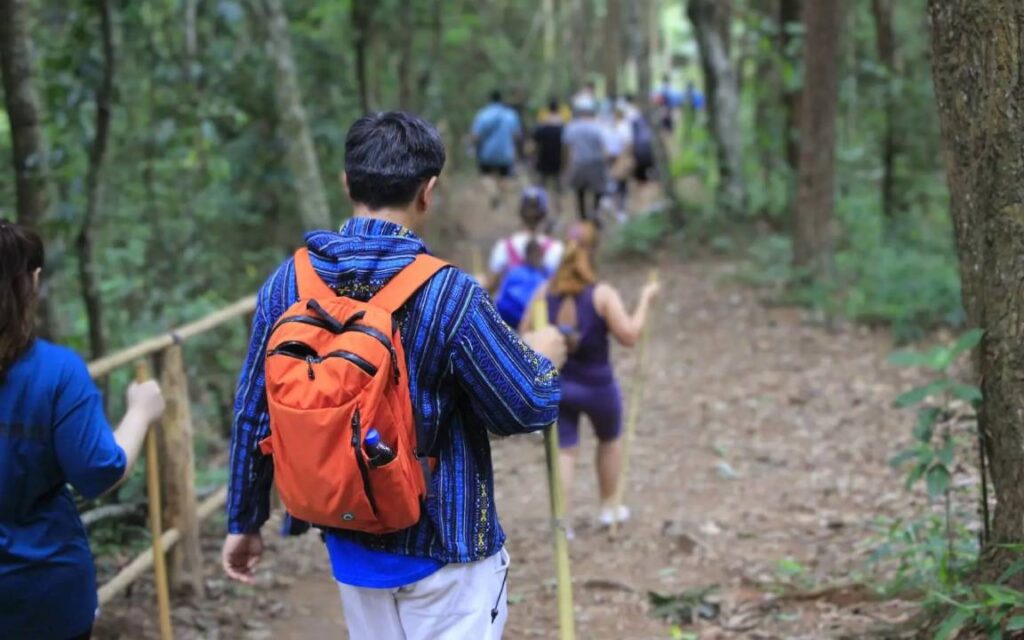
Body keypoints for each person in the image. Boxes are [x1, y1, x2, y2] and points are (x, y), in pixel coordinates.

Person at [222, 112, 567, 640]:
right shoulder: (449, 293)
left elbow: (254, 411)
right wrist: (543, 359)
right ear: (428, 191)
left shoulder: (288, 284)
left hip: (350, 538)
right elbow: (524, 408)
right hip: (448, 546)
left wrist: (244, 522)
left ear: (347, 183)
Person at [0, 221, 166, 640]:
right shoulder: (57, 372)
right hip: (44, 594)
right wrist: (140, 412)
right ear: (31, 282)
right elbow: (100, 471)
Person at [522, 221, 660, 534]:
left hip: (560, 387)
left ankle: (562, 524)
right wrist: (645, 300)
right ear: (594, 250)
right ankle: (609, 508)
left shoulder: (544, 292)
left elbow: (524, 333)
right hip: (599, 388)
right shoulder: (602, 295)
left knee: (564, 451)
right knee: (609, 440)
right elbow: (629, 335)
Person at [486, 186, 564, 292]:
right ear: (544, 214)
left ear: (520, 213)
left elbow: (491, 285)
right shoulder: (556, 248)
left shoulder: (503, 246)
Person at [471, 90, 523, 209]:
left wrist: (473, 146)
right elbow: (517, 135)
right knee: (504, 177)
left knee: (486, 175)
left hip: (486, 154)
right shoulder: (511, 115)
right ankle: (500, 201)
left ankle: (493, 193)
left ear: (490, 99)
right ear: (501, 100)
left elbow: (476, 136)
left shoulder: (482, 114)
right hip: (506, 154)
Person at [563, 97, 609, 221]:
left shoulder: (571, 127)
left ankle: (582, 216)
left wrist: (567, 166)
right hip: (595, 163)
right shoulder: (597, 127)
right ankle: (595, 212)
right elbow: (604, 147)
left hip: (578, 163)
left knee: (580, 191)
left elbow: (568, 149)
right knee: (598, 190)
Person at [494, 239, 551, 329]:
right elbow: (500, 297)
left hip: (528, 322)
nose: (536, 257)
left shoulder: (543, 275)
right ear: (528, 254)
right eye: (534, 254)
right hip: (511, 321)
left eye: (538, 254)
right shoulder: (516, 273)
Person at [531, 99, 565, 200]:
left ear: (548, 109)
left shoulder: (543, 125)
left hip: (544, 156)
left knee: (542, 181)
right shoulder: (562, 126)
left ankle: (541, 201)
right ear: (558, 109)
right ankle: (558, 202)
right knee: (557, 182)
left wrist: (534, 156)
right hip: (557, 156)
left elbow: (536, 143)